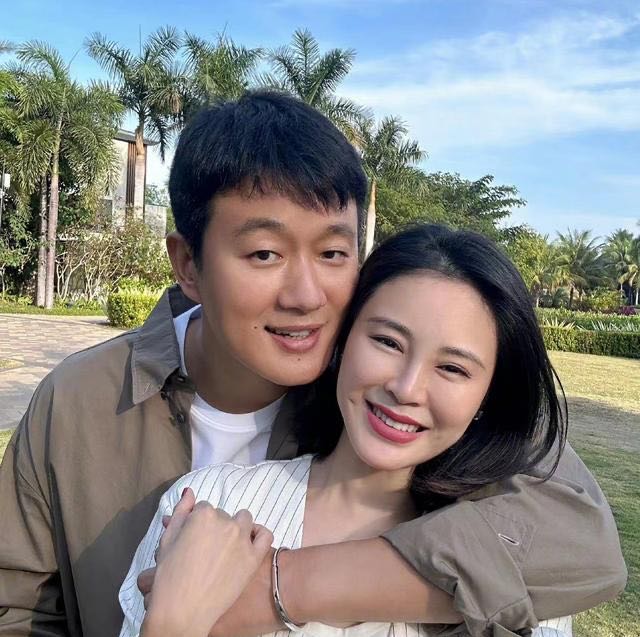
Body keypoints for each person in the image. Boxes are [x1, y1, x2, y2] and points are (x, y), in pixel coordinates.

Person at [0, 92, 626, 637]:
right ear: (188, 263)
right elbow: (19, 611)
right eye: (265, 253)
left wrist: (281, 585)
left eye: (332, 253)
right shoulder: (79, 401)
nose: (306, 296)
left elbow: (581, 543)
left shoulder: (387, 401)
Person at [120, 224, 581, 637]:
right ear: (341, 340)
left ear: (488, 399)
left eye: (453, 368)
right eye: (387, 342)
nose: (406, 388)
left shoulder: (515, 569)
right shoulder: (207, 507)